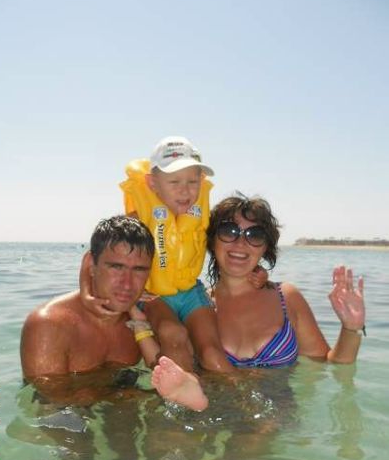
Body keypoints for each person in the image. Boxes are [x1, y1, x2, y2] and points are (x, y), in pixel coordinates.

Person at [151, 194, 366, 411]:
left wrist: (351, 328)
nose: (240, 243)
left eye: (255, 235)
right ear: (211, 240)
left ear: (265, 247)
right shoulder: (195, 308)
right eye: (229, 231)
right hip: (215, 411)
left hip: (276, 416)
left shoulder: (287, 298)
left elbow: (331, 367)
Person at [80, 136, 266, 377]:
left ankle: (233, 394)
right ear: (153, 183)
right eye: (174, 181)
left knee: (212, 352)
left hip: (191, 292)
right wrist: (86, 294)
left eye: (192, 181)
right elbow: (92, 257)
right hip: (155, 295)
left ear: (201, 181)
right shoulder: (138, 218)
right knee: (172, 333)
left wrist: (258, 271)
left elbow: (230, 249)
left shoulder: (199, 218)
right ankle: (182, 397)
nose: (184, 190)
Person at [20, 215, 155, 404]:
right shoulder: (50, 324)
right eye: (116, 267)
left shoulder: (145, 319)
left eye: (139, 270)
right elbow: (50, 407)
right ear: (91, 266)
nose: (127, 284)